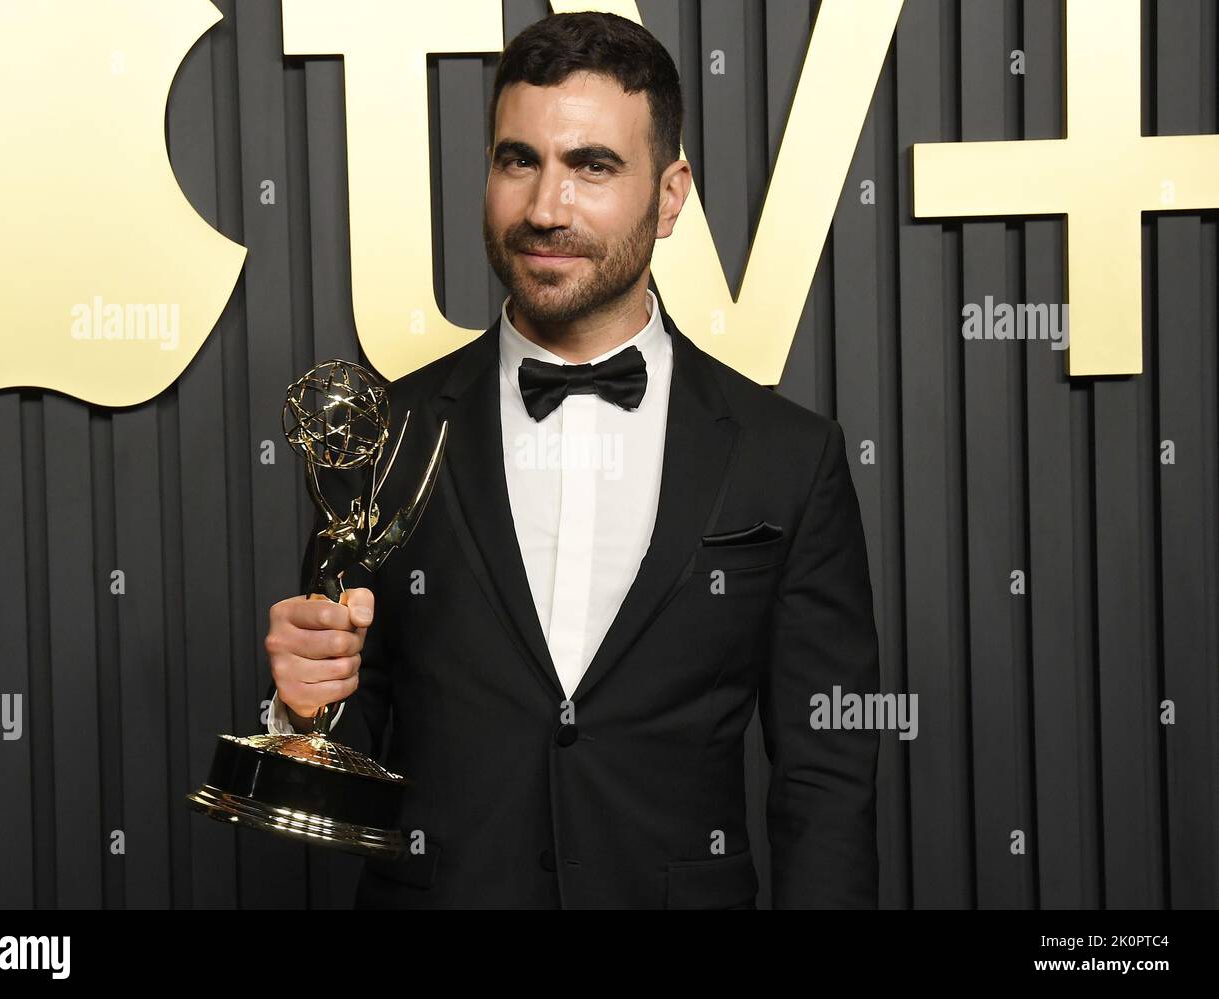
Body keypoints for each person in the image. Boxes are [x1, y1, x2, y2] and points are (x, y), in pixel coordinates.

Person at [264, 10, 879, 909]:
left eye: (592, 166)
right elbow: (351, 737)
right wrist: (301, 707)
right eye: (520, 160)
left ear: (671, 196)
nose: (546, 207)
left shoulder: (789, 457)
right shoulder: (384, 432)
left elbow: (828, 782)